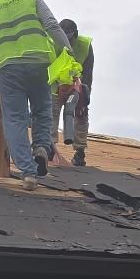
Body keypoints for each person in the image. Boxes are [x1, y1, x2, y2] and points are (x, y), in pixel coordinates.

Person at [0, 0, 72, 185]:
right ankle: (42, 148)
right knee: (42, 110)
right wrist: (67, 51)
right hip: (38, 63)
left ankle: (28, 173)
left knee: (15, 119)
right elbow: (52, 25)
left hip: (9, 70)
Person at [53, 18, 94, 168]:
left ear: (75, 34)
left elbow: (88, 72)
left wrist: (85, 92)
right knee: (51, 111)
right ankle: (49, 147)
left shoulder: (85, 46)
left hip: (76, 85)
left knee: (81, 114)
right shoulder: (52, 42)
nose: (65, 42)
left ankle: (80, 152)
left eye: (69, 38)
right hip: (55, 85)